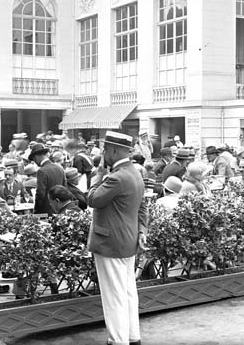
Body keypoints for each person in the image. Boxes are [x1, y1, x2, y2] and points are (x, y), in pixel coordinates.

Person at [87, 131, 147, 345]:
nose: (103, 153)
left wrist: (98, 176)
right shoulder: (134, 172)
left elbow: (92, 199)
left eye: (105, 149)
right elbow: (142, 207)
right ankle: (132, 337)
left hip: (110, 242)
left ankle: (118, 340)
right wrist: (142, 232)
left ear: (113, 150)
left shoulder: (115, 177)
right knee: (128, 292)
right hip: (129, 240)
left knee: (114, 296)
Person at [30, 143, 65, 215]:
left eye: (34, 159)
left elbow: (40, 194)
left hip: (45, 211)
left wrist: (36, 211)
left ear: (36, 157)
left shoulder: (42, 171)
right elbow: (64, 188)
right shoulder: (60, 168)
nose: (35, 162)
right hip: (59, 209)